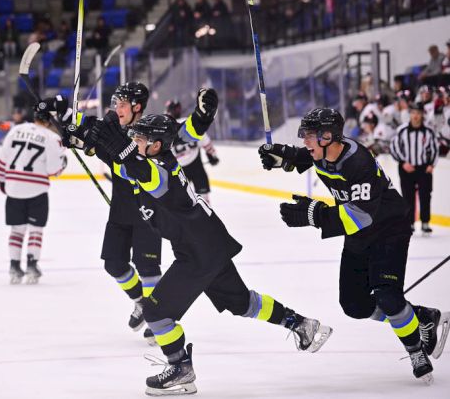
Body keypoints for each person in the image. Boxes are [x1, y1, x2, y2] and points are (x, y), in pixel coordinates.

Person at [79, 91, 332, 396]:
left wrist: (118, 147)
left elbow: (139, 170)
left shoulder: (158, 171)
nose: (135, 142)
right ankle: (301, 324)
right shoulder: (154, 160)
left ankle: (180, 369)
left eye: (141, 138)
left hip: (197, 251)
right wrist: (83, 137)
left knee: (156, 314)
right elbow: (123, 163)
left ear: (156, 145)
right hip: (208, 243)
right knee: (242, 303)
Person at [258, 108, 449, 384]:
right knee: (354, 305)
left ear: (328, 136)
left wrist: (316, 215)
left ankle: (415, 349)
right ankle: (422, 316)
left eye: (310, 136)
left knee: (388, 297)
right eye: (305, 136)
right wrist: (281, 156)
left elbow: (361, 215)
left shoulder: (357, 162)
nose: (305, 142)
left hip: (388, 229)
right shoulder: (323, 151)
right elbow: (299, 158)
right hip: (360, 234)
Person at [56, 84, 163, 344]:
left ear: (138, 106)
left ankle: (155, 316)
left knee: (147, 266)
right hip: (121, 209)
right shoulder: (116, 127)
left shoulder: (150, 131)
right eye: (116, 104)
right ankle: (140, 301)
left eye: (123, 104)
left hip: (147, 210)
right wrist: (71, 130)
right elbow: (92, 134)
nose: (118, 109)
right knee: (113, 263)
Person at [0, 99, 67, 284]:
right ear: (50, 120)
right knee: (36, 229)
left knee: (16, 229)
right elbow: (53, 170)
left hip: (13, 187)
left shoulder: (16, 130)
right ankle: (32, 265)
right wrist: (63, 162)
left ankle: (14, 267)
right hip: (36, 189)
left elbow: (3, 158)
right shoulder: (52, 138)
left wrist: (2, 181)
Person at [390, 102, 438, 235]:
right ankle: (409, 223)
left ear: (422, 115)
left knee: (425, 195)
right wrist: (403, 162)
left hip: (423, 168)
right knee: (407, 196)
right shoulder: (402, 130)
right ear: (410, 114)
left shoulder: (428, 132)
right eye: (413, 113)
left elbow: (434, 149)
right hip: (406, 168)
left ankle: (425, 223)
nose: (416, 116)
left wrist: (431, 164)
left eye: (418, 113)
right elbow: (394, 147)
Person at [165, 99, 219, 203]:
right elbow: (205, 141)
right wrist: (212, 155)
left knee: (180, 202)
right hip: (195, 166)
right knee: (204, 200)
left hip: (179, 169)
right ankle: (205, 217)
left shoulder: (166, 126)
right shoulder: (189, 122)